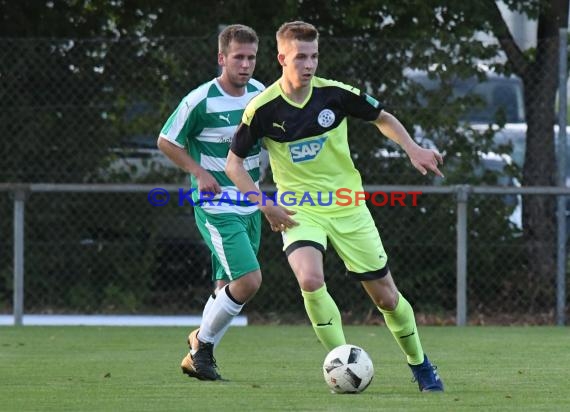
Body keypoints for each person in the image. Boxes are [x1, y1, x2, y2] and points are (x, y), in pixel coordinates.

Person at [225, 21, 445, 392]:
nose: (309, 65)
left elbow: (383, 118)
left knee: (387, 298)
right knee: (310, 278)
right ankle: (343, 364)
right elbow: (233, 164)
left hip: (348, 206)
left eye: (313, 56)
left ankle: (421, 364)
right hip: (299, 209)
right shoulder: (262, 109)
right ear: (281, 58)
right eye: (300, 57)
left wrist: (413, 148)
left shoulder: (335, 95)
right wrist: (265, 204)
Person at [157, 24, 264, 381]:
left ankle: (199, 356)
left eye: (251, 57)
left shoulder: (262, 94)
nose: (246, 64)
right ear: (222, 58)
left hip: (252, 204)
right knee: (248, 281)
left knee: (225, 289)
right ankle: (201, 344)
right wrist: (199, 172)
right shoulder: (199, 100)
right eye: (238, 57)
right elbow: (166, 140)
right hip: (216, 205)